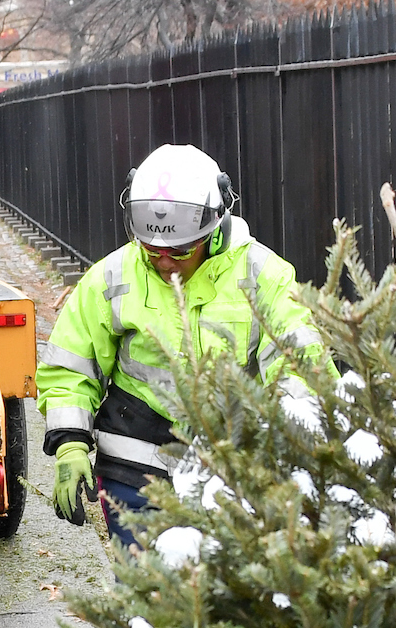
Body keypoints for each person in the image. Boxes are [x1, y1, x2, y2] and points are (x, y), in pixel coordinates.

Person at [36, 143, 317, 548]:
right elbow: (70, 366)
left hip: (235, 470)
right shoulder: (112, 276)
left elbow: (300, 365)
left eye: (180, 250)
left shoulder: (263, 276)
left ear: (215, 228)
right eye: (152, 251)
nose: (165, 262)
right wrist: (70, 443)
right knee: (150, 599)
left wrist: (300, 447)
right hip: (134, 467)